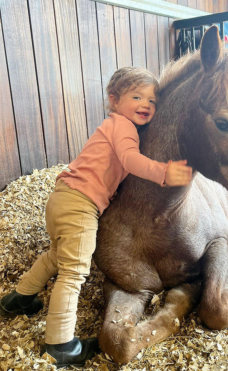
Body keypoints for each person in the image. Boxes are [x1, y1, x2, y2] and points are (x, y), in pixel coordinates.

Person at [0, 67, 193, 366]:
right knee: (74, 272)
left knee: (56, 256)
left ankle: (19, 299)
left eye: (153, 101)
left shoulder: (112, 125)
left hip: (63, 197)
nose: (146, 104)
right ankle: (60, 345)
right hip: (80, 205)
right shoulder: (123, 127)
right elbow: (130, 160)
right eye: (137, 96)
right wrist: (164, 172)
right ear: (114, 100)